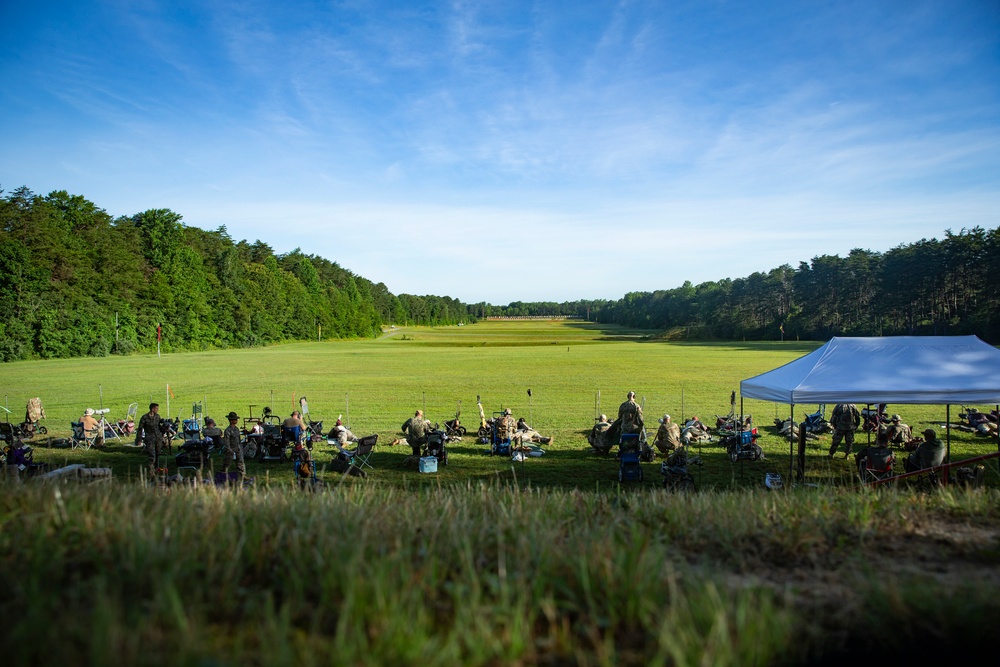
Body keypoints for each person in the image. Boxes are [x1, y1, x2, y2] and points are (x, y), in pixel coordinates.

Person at [134, 403, 162, 477]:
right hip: (150, 438)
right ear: (152, 409)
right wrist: (139, 439)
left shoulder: (158, 417)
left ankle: (157, 468)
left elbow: (160, 427)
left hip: (158, 438)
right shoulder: (144, 418)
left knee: (158, 454)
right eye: (156, 408)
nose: (157, 410)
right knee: (152, 455)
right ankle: (151, 471)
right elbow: (140, 429)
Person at [222, 411, 246, 479]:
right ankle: (223, 475)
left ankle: (243, 475)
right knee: (227, 463)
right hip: (231, 449)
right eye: (235, 419)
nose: (236, 420)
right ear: (231, 420)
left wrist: (240, 447)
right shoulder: (228, 430)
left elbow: (238, 439)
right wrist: (229, 450)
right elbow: (226, 441)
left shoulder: (236, 429)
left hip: (237, 448)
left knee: (240, 462)